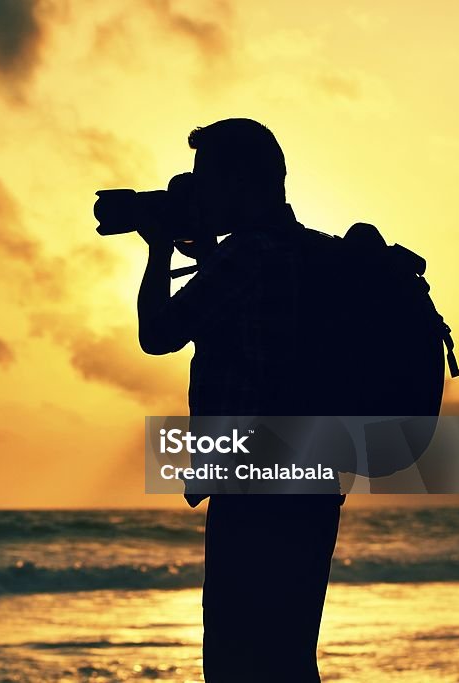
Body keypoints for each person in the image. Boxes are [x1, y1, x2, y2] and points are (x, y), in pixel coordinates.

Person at [136, 118, 344, 681]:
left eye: (207, 180)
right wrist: (205, 255)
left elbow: (158, 334)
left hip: (252, 486)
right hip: (314, 482)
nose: (198, 192)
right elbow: (260, 338)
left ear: (241, 184)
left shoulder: (248, 255)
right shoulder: (311, 254)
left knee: (234, 663)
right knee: (289, 659)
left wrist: (159, 249)